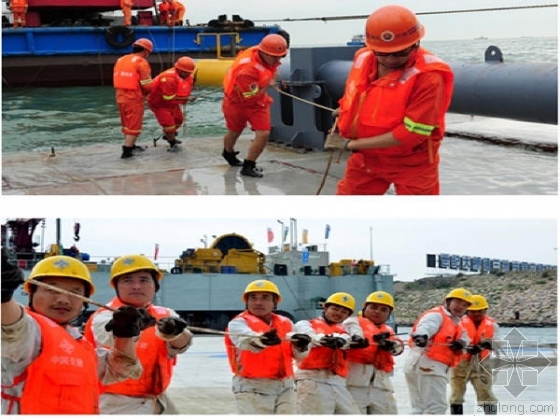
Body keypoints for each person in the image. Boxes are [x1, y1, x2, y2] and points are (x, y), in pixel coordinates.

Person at [324, 5, 454, 195]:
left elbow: (412, 133)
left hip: (412, 163)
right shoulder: (363, 58)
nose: (391, 59)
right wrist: (345, 110)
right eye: (383, 53)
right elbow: (356, 93)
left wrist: (350, 145)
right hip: (366, 160)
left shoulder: (430, 77)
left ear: (416, 43)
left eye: (401, 53)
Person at [1, 251, 146, 414]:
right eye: (52, 290)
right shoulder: (30, 331)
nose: (63, 299)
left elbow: (120, 370)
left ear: (85, 301)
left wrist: (125, 335)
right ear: (31, 293)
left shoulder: (78, 343)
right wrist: (4, 297)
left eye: (75, 293)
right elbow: (12, 328)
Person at [84, 254, 193, 414]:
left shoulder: (165, 314)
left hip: (158, 400)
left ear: (155, 286)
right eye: (128, 280)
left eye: (144, 280)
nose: (136, 286)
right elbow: (108, 335)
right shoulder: (103, 317)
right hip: (114, 403)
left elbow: (182, 344)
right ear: (117, 287)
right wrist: (129, 323)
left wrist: (174, 332)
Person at [224, 279, 311, 414]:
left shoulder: (286, 322)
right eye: (253, 298)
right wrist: (262, 340)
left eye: (265, 298)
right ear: (247, 302)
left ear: (275, 303)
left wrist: (302, 346)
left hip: (285, 387)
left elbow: (298, 356)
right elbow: (246, 339)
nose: (258, 302)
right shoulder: (238, 323)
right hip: (252, 387)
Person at [221, 33, 288, 178]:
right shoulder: (247, 70)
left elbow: (273, 69)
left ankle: (248, 165)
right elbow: (250, 98)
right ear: (264, 53)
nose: (278, 60)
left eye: (281, 56)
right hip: (236, 103)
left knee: (263, 133)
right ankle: (228, 153)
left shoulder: (266, 56)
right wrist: (268, 84)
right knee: (235, 131)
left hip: (259, 103)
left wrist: (274, 80)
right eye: (275, 57)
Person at [405, 288, 473, 414]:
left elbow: (465, 338)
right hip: (429, 365)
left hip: (421, 366)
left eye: (464, 305)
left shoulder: (456, 321)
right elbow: (426, 326)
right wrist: (421, 336)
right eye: (458, 302)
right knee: (436, 407)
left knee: (419, 408)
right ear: (448, 301)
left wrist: (461, 343)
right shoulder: (436, 314)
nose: (460, 307)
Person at [292, 292, 361, 414]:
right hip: (311, 378)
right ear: (325, 308)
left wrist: (344, 340)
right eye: (335, 308)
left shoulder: (345, 331)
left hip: (337, 380)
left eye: (344, 312)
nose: (339, 313)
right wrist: (324, 339)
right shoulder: (305, 324)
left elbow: (347, 340)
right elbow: (309, 336)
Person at [343, 291, 404, 414]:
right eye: (373, 307)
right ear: (365, 308)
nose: (378, 311)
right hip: (354, 383)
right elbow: (354, 331)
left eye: (383, 309)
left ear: (388, 314)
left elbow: (399, 346)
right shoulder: (352, 322)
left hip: (381, 384)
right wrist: (358, 339)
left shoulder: (388, 330)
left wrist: (392, 345)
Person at [449, 294, 500, 415]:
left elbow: (497, 341)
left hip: (483, 363)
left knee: (486, 393)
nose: (476, 314)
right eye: (473, 311)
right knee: (456, 394)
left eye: (480, 311)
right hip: (460, 363)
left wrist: (485, 345)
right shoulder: (458, 323)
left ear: (485, 310)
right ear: (467, 311)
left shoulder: (492, 325)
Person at [113, 38, 154, 159]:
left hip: (120, 96)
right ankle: (127, 151)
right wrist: (155, 89)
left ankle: (131, 144)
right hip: (134, 97)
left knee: (126, 124)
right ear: (146, 51)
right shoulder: (142, 63)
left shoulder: (121, 59)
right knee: (134, 125)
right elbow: (146, 84)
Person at [147, 56, 196, 151]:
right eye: (186, 72)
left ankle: (169, 135)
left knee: (178, 120)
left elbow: (181, 91)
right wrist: (187, 98)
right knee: (169, 125)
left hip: (173, 103)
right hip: (159, 104)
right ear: (179, 69)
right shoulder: (169, 78)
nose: (188, 74)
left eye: (189, 72)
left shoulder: (188, 77)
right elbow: (167, 98)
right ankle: (172, 144)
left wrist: (185, 98)